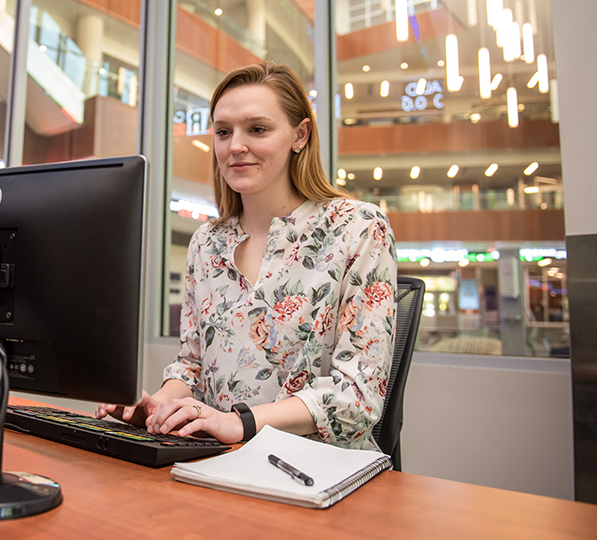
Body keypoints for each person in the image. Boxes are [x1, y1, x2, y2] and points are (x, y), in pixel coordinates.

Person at [97, 62, 397, 451]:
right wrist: (160, 406)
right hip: (220, 460)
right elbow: (193, 367)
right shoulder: (207, 241)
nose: (235, 145)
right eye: (223, 132)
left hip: (319, 467)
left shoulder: (357, 226)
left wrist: (240, 424)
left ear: (300, 136)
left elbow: (357, 396)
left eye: (257, 129)